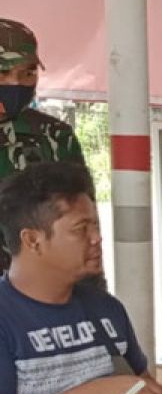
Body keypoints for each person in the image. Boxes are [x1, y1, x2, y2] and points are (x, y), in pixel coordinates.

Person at [0, 162, 162, 394]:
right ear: (32, 240)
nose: (97, 238)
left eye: (96, 225)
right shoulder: (6, 316)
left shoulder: (105, 309)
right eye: (81, 229)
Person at [0, 19, 86, 273]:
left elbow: (81, 222)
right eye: (2, 72)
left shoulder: (54, 136)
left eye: (27, 73)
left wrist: (91, 292)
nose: (16, 84)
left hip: (38, 291)